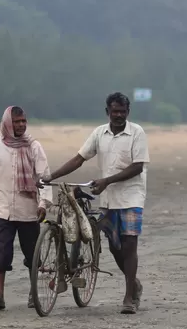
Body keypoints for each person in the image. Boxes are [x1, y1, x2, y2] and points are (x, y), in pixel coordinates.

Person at [46, 92, 150, 314]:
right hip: (108, 199)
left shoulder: (137, 133)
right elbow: (79, 159)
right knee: (114, 247)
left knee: (129, 244)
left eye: (122, 111)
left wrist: (107, 181)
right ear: (107, 112)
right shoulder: (99, 133)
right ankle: (135, 284)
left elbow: (137, 167)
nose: (118, 115)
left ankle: (129, 297)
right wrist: (51, 177)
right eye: (115, 111)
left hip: (131, 197)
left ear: (128, 112)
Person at [0, 106, 53, 311]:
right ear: (7, 124)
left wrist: (43, 203)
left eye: (23, 121)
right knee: (1, 253)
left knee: (32, 254)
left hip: (29, 210)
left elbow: (44, 177)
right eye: (17, 122)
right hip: (3, 210)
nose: (21, 125)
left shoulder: (34, 147)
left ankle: (34, 293)